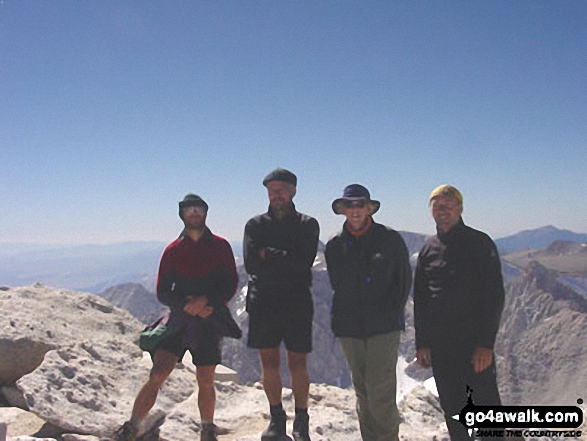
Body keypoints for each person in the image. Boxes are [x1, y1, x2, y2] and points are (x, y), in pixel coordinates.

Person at [112, 194, 239, 441]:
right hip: (181, 318)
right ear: (182, 214)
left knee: (205, 378)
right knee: (158, 372)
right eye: (189, 209)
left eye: (199, 209)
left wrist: (207, 303)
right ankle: (133, 426)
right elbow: (162, 290)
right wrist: (187, 305)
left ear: (205, 213)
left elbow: (230, 283)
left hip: (208, 318)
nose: (194, 213)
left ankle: (207, 429)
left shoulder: (220, 246)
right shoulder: (173, 250)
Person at [414, 185, 505, 441]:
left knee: (487, 408)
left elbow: (494, 296)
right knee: (453, 409)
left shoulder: (479, 243)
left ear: (460, 208)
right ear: (431, 211)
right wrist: (423, 343)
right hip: (442, 348)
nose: (443, 210)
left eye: (448, 204)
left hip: (474, 346)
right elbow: (421, 299)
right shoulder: (428, 249)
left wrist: (485, 344)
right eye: (437, 205)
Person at [324, 184, 412, 441]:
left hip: (383, 327)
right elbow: (337, 285)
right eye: (349, 205)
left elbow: (403, 281)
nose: (355, 210)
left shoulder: (390, 239)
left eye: (360, 205)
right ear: (343, 210)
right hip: (349, 327)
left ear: (369, 208)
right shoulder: (335, 245)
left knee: (380, 391)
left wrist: (390, 313)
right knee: (362, 391)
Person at [243, 168, 320, 441]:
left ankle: (302, 420)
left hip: (295, 301)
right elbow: (252, 263)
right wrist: (286, 257)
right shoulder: (255, 225)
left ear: (294, 191)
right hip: (264, 301)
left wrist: (269, 254)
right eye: (272, 190)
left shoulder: (308, 224)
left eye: (282, 190)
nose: (277, 195)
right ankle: (277, 418)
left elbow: (304, 262)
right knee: (269, 362)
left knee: (298, 363)